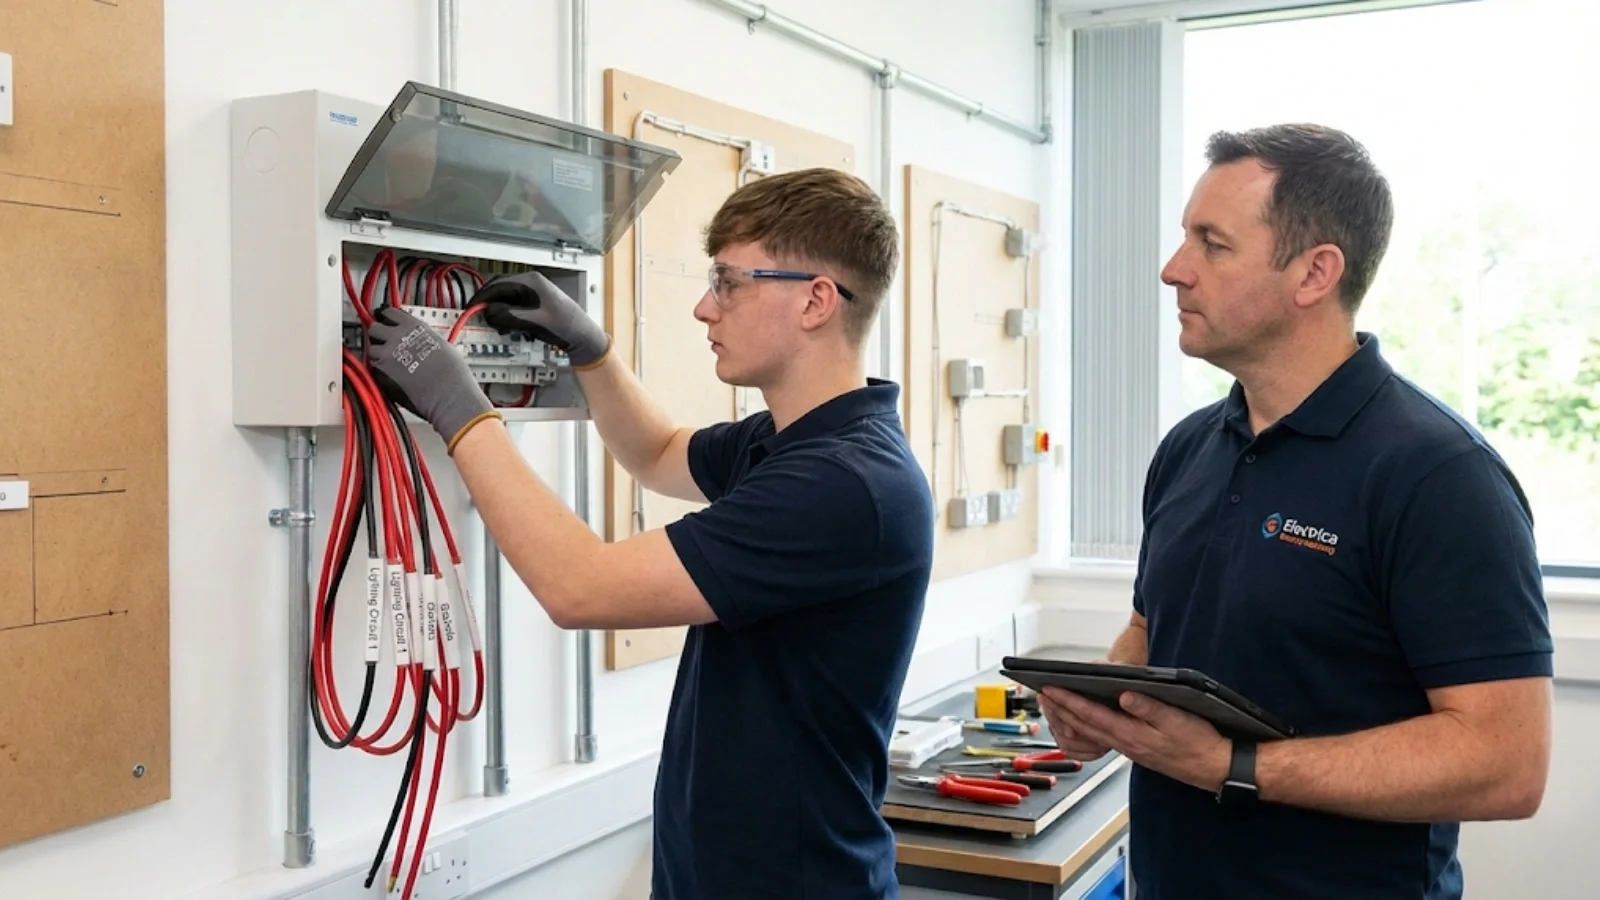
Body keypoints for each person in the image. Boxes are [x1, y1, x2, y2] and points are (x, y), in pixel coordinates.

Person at [364, 167, 934, 899]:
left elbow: (579, 588)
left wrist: (460, 410)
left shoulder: (845, 486)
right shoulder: (794, 444)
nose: (705, 307)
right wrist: (589, 350)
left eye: (730, 283)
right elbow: (658, 452)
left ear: (816, 300)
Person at [1037, 124, 1554, 899]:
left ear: (1314, 273)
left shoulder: (1439, 475)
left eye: (1212, 244)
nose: (1173, 270)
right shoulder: (1188, 449)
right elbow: (1151, 631)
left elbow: (1506, 764)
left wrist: (1231, 768)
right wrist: (1105, 704)